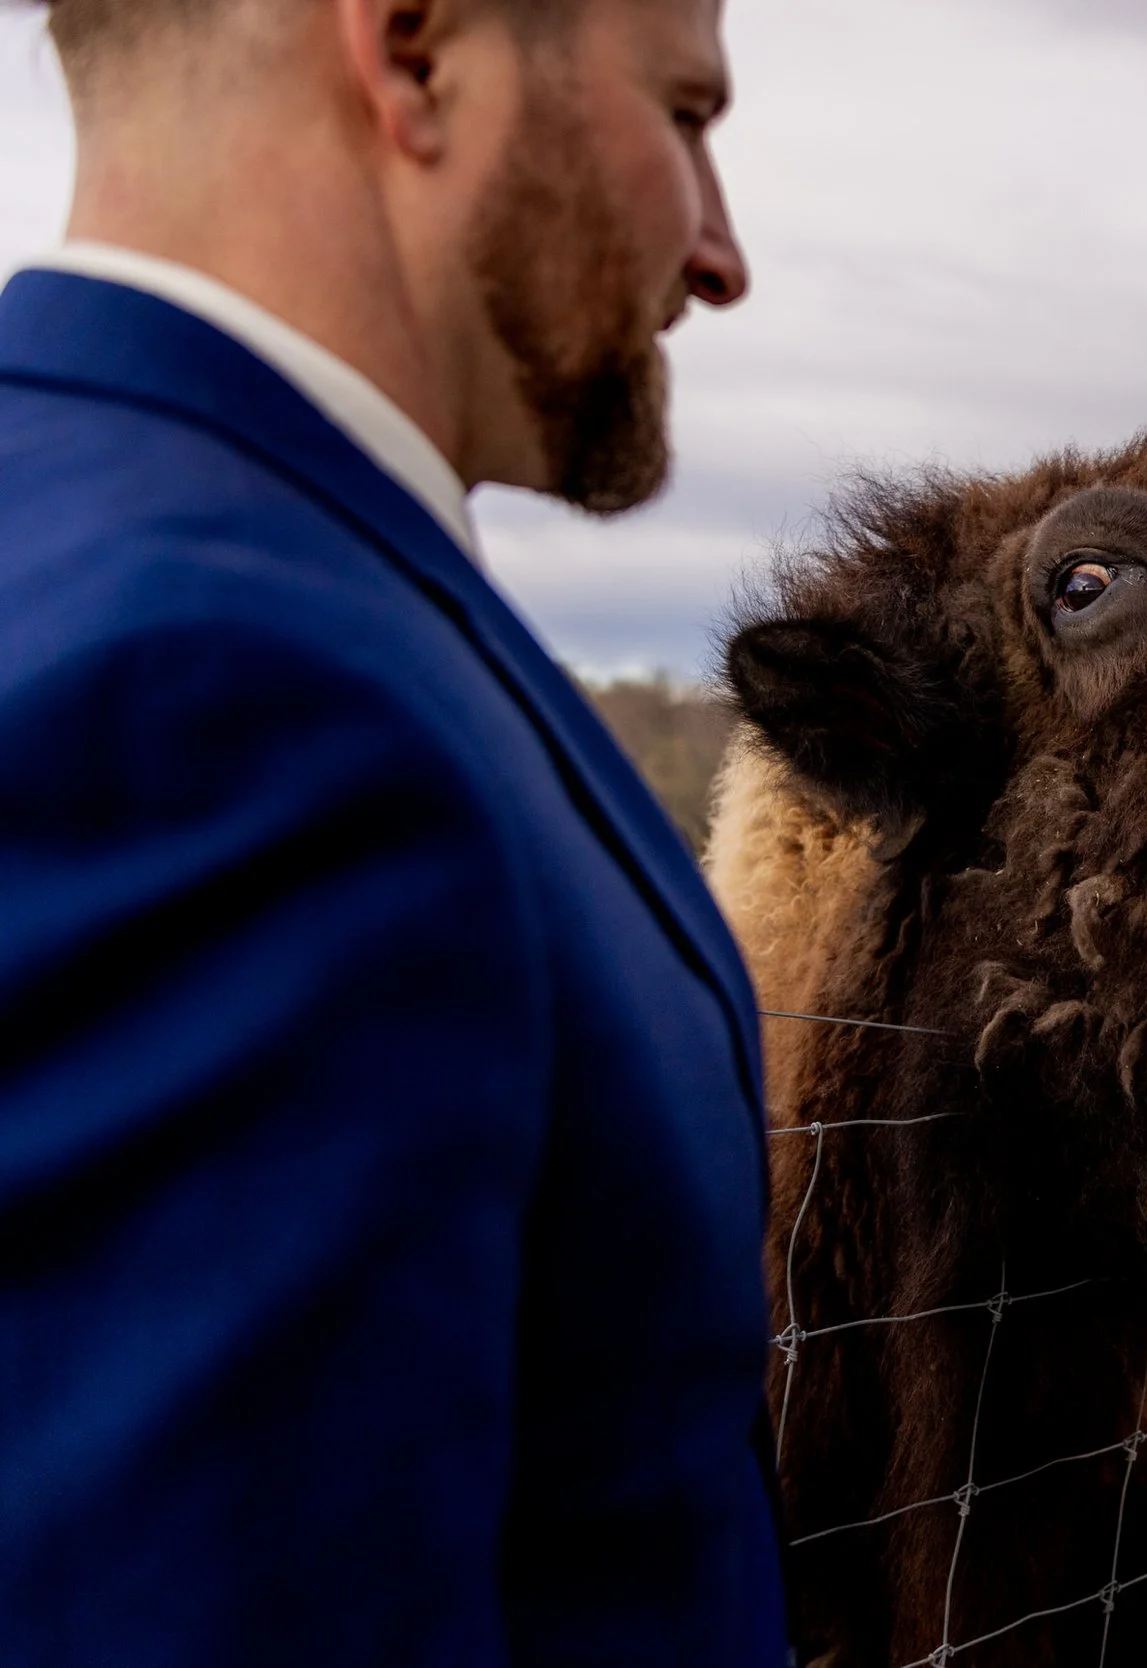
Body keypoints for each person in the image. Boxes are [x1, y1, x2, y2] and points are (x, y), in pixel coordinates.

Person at [0, 1, 786, 1663]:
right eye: (686, 112)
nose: (721, 257)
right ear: (416, 51)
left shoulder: (109, 542)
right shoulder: (239, 706)